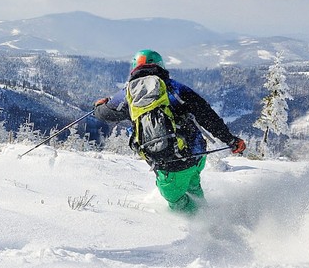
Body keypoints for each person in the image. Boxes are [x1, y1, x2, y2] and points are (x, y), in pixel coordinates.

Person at [93, 49, 247, 213]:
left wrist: (98, 106)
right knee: (193, 186)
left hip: (169, 166)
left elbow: (105, 114)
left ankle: (203, 229)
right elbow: (208, 116)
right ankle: (208, 213)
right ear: (160, 66)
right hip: (196, 156)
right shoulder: (176, 89)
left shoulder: (127, 94)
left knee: (177, 203)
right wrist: (231, 140)